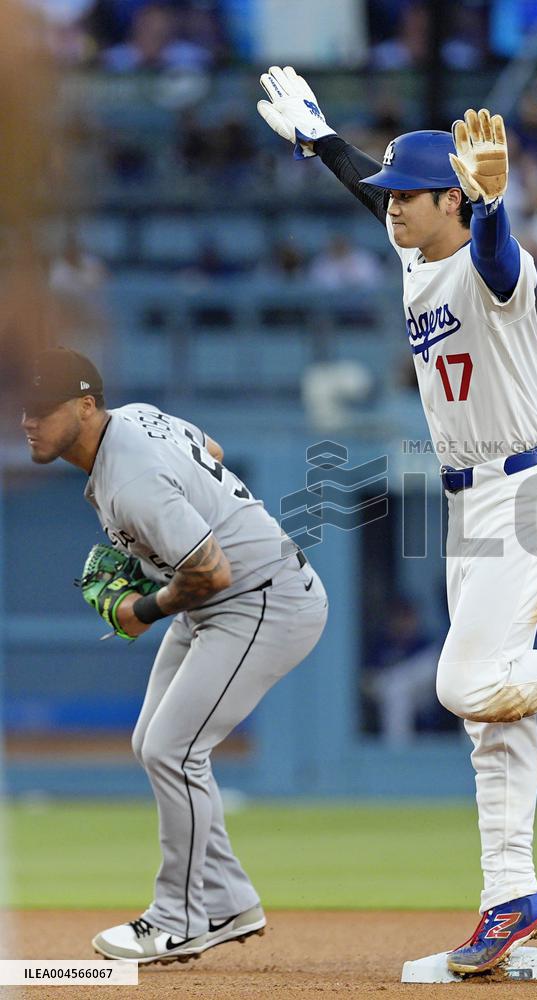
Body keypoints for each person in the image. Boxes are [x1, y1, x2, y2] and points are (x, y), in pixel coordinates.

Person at [257, 67, 537, 976]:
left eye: (410, 199)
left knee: (465, 682)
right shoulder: (418, 251)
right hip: (471, 505)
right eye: (389, 198)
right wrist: (320, 142)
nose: (391, 211)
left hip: (534, 490)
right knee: (489, 720)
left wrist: (492, 204)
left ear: (452, 202)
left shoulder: (487, 263)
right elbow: (372, 192)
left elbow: (498, 260)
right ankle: (509, 898)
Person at [21, 347, 328, 965]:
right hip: (227, 600)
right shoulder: (136, 418)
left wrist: (142, 609)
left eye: (42, 409)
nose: (27, 421)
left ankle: (177, 920)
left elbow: (211, 571)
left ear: (85, 406)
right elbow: (209, 450)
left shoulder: (131, 480)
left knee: (173, 749)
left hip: (261, 599)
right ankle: (228, 899)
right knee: (151, 745)